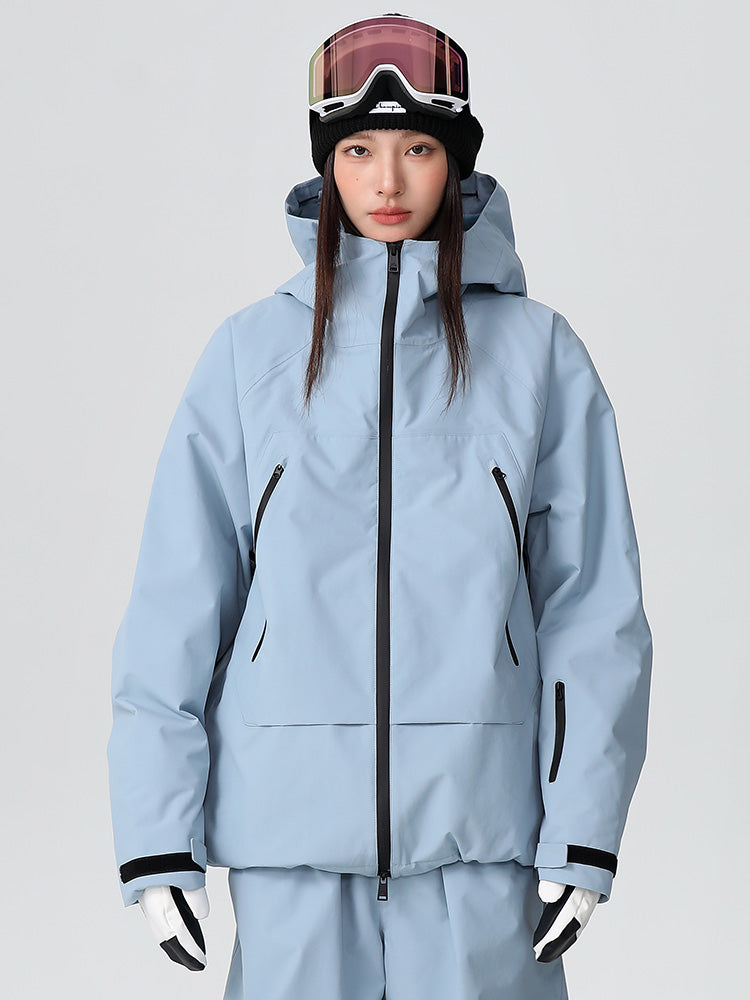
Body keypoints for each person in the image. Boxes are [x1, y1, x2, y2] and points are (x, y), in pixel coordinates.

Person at [106, 13, 653, 999]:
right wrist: (156, 839)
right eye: (359, 150)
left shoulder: (539, 357)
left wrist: (583, 832)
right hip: (290, 843)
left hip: (484, 842)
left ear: (458, 163)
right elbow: (175, 607)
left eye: (419, 150)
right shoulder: (249, 354)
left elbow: (594, 612)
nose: (388, 181)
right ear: (327, 164)